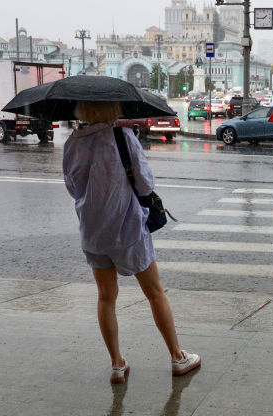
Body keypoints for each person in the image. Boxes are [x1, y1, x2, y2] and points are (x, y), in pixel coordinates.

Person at [63, 101, 200, 383]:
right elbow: (145, 184)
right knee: (154, 293)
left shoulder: (72, 142)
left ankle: (117, 364)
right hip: (128, 229)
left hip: (93, 231)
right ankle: (177, 357)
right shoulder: (121, 136)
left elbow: (73, 187)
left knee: (105, 297)